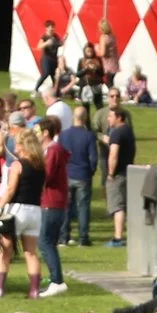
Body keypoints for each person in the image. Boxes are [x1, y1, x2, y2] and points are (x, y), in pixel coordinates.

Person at [60, 105, 100, 247]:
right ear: (85, 118)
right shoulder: (88, 136)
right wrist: (91, 171)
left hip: (67, 174)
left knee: (65, 206)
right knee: (83, 207)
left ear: (73, 118)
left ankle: (64, 236)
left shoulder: (64, 135)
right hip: (83, 174)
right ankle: (83, 237)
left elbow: (60, 155)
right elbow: (94, 158)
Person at [102, 105, 138, 247]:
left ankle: (118, 237)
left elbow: (114, 154)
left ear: (119, 117)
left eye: (110, 116)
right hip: (127, 172)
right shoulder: (128, 131)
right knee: (122, 204)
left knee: (117, 206)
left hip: (118, 174)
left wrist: (111, 173)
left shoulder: (117, 133)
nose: (108, 119)